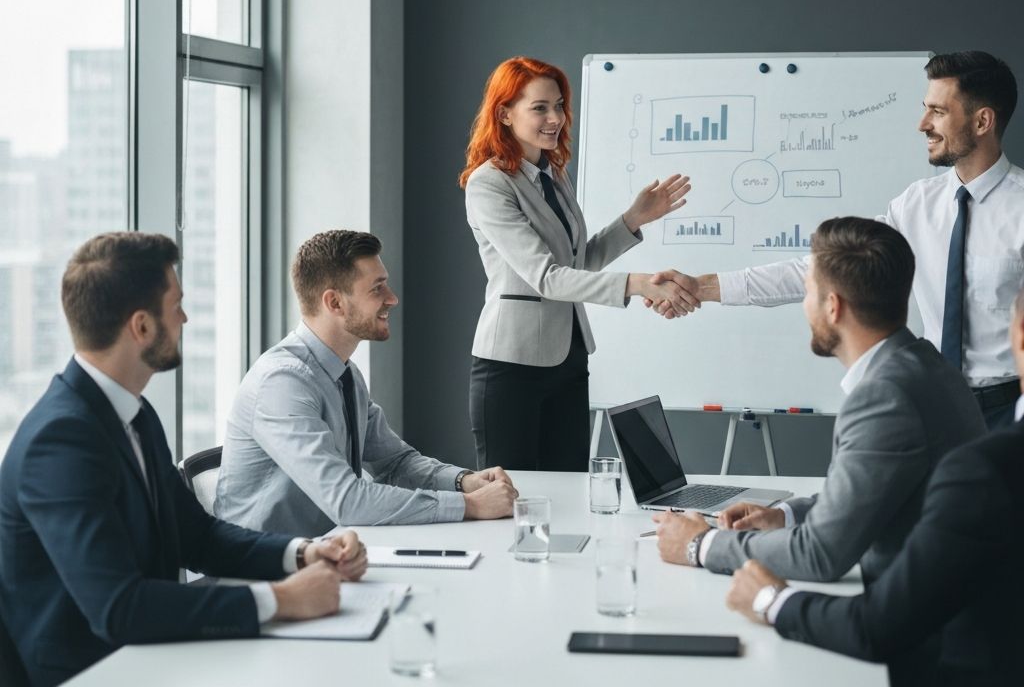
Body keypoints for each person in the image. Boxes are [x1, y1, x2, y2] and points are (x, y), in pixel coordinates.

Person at [0, 233, 368, 687]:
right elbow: (120, 607)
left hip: (151, 655)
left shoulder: (133, 413)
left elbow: (199, 535)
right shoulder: (60, 442)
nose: (185, 318)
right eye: (176, 304)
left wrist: (303, 553)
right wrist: (280, 600)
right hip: (94, 672)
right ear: (141, 327)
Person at [659, 51, 1023, 429]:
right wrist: (701, 287)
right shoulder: (916, 205)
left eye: (938, 112)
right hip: (933, 405)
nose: (922, 124)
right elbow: (826, 269)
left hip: (1010, 415)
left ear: (982, 121)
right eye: (924, 108)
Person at [653, 217, 985, 591]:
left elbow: (821, 554)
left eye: (807, 292)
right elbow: (868, 493)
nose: (803, 306)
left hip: (923, 626)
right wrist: (786, 516)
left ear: (832, 307)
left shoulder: (885, 397)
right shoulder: (924, 364)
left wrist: (701, 544)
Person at [726, 277, 1024, 687]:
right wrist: (787, 515)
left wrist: (760, 593)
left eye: (807, 292)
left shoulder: (984, 470)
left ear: (1018, 337)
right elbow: (883, 489)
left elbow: (876, 625)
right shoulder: (932, 368)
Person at [459, 56, 698, 472]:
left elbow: (577, 263)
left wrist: (633, 220)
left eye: (559, 105)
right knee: (509, 500)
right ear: (504, 112)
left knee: (568, 489)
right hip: (511, 366)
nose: (555, 118)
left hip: (568, 359)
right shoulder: (489, 184)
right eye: (540, 108)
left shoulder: (554, 174)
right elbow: (545, 277)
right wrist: (638, 284)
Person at [215, 231, 518, 532]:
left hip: (325, 554)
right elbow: (348, 501)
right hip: (265, 570)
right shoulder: (281, 383)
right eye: (377, 288)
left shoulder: (343, 374)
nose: (393, 298)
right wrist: (471, 506)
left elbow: (395, 463)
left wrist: (463, 482)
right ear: (334, 303)